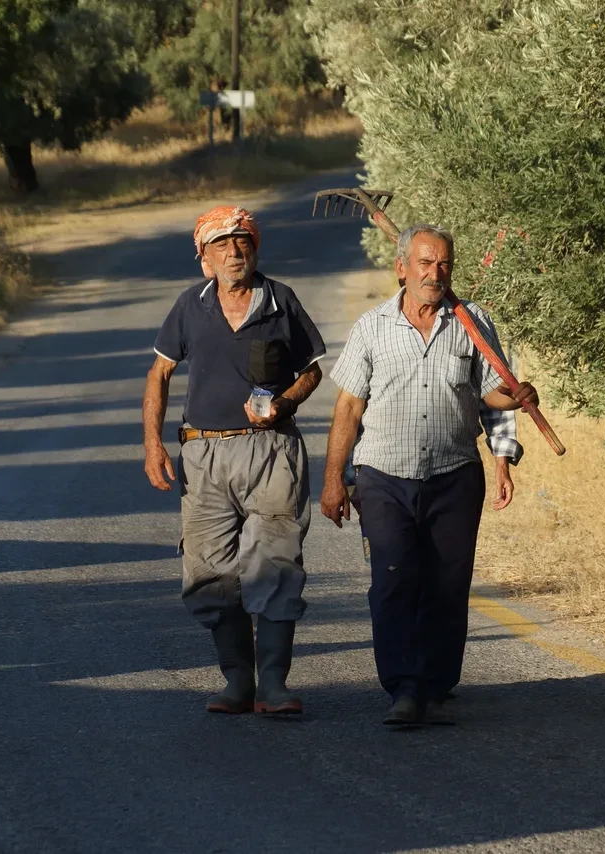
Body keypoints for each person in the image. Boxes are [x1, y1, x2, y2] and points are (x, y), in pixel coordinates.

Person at [320, 223, 538, 727]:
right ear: (401, 268)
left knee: (447, 584)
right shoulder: (371, 327)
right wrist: (334, 478)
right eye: (424, 263)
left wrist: (520, 395)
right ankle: (403, 687)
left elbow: (493, 394)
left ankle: (436, 685)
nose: (434, 273)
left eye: (443, 264)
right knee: (394, 579)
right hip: (382, 476)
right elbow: (349, 407)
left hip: (453, 474)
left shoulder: (473, 323)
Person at [142, 206, 326, 716]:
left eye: (242, 242)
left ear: (256, 248)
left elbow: (312, 370)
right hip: (202, 453)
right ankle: (237, 681)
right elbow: (159, 375)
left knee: (275, 561)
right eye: (220, 245)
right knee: (208, 569)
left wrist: (286, 402)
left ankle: (273, 683)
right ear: (204, 258)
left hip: (271, 453)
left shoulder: (280, 299)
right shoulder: (188, 305)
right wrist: (153, 444)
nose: (234, 252)